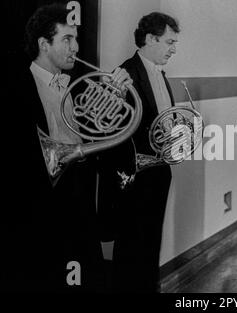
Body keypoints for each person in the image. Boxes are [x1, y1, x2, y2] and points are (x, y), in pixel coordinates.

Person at [2, 3, 132, 292]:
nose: (75, 47)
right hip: (38, 205)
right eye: (66, 39)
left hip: (79, 194)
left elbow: (98, 137)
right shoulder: (16, 86)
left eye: (75, 38)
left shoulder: (80, 86)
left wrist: (115, 96)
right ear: (43, 44)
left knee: (86, 275)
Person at [97, 12, 179, 292]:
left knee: (151, 242)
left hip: (159, 171)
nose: (173, 48)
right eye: (169, 42)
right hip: (133, 176)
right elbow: (108, 129)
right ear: (149, 39)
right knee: (131, 246)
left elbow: (162, 121)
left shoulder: (161, 74)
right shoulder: (124, 74)